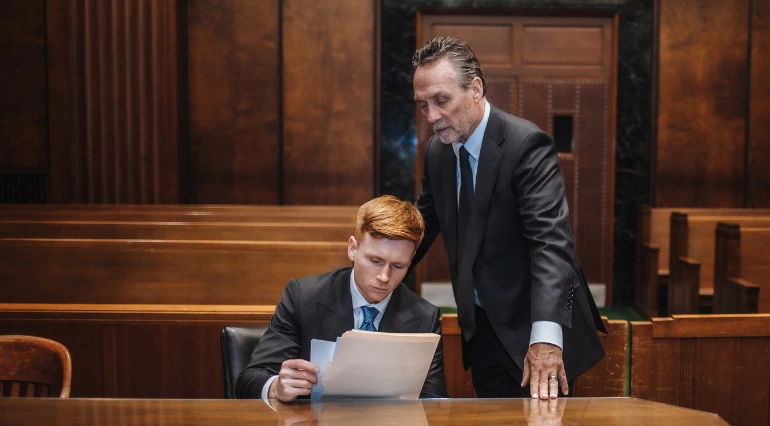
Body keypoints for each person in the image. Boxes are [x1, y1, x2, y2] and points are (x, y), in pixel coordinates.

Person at [411, 36, 606, 400]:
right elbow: (420, 227)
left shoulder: (525, 144)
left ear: (475, 88)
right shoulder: (437, 153)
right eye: (423, 106)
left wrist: (547, 339)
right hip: (480, 326)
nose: (432, 117)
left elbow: (552, 246)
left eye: (441, 100)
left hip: (532, 326)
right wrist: (371, 271)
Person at [236, 195, 449, 401]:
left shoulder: (425, 316)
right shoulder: (303, 297)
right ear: (353, 249)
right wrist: (276, 387)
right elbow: (250, 380)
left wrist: (417, 406)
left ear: (411, 260)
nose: (384, 277)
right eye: (375, 260)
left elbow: (435, 401)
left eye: (398, 266)